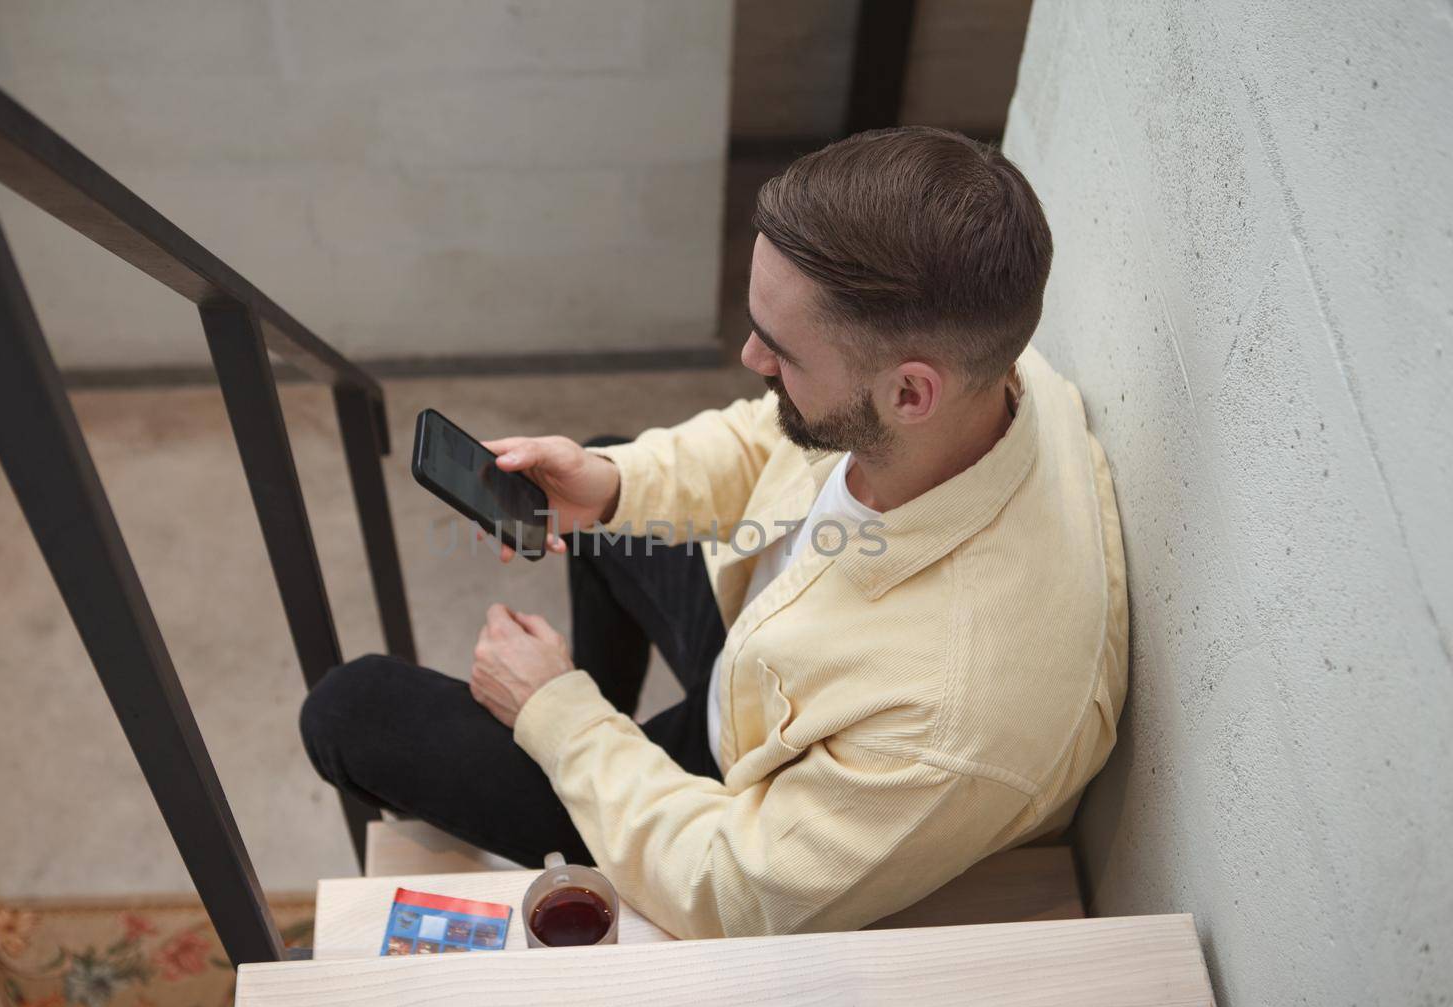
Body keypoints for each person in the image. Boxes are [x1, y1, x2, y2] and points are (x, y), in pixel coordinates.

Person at [301, 126, 1128, 941]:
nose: (748, 356)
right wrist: (620, 486)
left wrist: (557, 714)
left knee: (351, 710)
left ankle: (591, 778)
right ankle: (592, 768)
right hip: (764, 659)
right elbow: (774, 434)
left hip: (748, 778)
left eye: (781, 350)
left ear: (910, 393)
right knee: (599, 464)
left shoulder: (948, 721)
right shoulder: (998, 386)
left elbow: (731, 891)